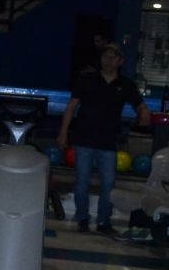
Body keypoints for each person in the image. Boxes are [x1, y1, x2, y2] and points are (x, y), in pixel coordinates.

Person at [57, 43, 150, 234]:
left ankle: (103, 222)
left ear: (120, 61)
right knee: (82, 182)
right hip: (84, 139)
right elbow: (71, 107)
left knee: (108, 184)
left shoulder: (125, 85)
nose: (108, 60)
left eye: (112, 57)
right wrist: (63, 132)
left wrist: (144, 112)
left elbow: (139, 104)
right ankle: (82, 217)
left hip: (108, 142)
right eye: (105, 56)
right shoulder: (86, 79)